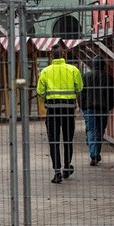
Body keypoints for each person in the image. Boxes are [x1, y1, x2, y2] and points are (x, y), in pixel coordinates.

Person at [36, 46, 83, 184]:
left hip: (52, 111)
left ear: (51, 56)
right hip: (68, 111)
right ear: (64, 55)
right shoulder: (73, 69)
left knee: (54, 142)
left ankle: (57, 172)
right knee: (68, 140)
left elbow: (40, 91)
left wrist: (47, 99)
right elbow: (79, 87)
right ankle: (67, 167)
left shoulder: (45, 71)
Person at [79, 56, 114, 166]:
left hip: (89, 109)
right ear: (103, 66)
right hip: (103, 108)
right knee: (100, 131)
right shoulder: (108, 78)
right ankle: (96, 153)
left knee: (91, 130)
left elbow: (80, 93)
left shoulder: (85, 77)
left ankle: (94, 154)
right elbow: (112, 94)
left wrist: (82, 107)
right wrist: (110, 106)